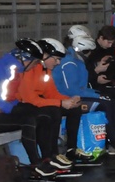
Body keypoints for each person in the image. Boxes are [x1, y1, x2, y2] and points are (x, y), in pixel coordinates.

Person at [53, 29, 115, 160]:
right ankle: (114, 143)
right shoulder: (69, 62)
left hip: (75, 95)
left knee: (108, 100)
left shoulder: (76, 60)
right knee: (105, 103)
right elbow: (72, 90)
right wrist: (97, 95)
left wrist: (96, 93)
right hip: (69, 98)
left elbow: (80, 87)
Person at [15, 38, 81, 171]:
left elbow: (52, 93)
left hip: (35, 103)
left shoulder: (46, 70)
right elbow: (30, 99)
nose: (58, 63)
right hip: (23, 105)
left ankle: (71, 149)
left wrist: (70, 100)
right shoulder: (29, 68)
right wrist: (61, 103)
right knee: (52, 111)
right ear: (45, 55)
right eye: (56, 59)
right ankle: (50, 155)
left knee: (74, 109)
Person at [0, 39, 60, 177]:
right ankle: (35, 164)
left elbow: (10, 97)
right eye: (35, 62)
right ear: (25, 58)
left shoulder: (14, 69)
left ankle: (48, 157)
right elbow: (0, 101)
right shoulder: (5, 69)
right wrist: (15, 109)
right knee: (28, 120)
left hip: (3, 108)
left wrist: (21, 107)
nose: (35, 66)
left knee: (43, 113)